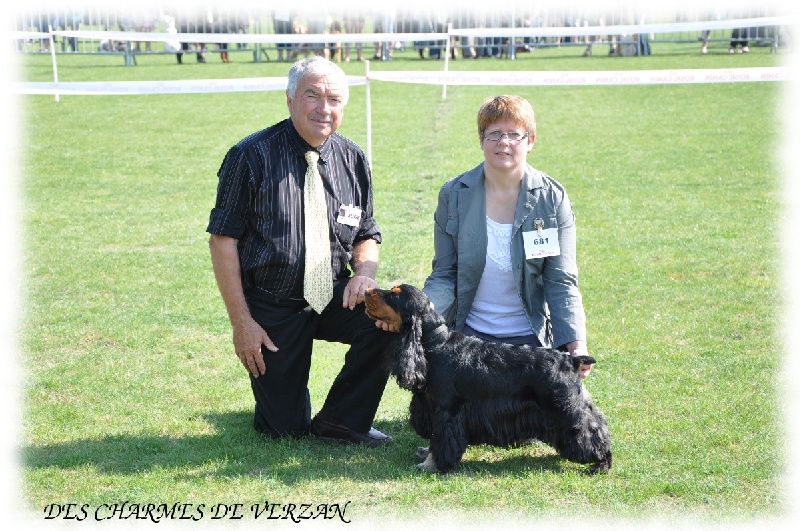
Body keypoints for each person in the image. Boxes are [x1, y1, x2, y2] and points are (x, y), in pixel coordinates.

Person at [207, 56, 394, 446]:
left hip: (334, 293)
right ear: (290, 99)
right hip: (273, 304)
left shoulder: (353, 158)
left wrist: (364, 275)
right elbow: (223, 240)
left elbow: (366, 231)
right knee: (284, 430)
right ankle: (283, 405)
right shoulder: (250, 156)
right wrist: (242, 323)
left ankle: (342, 421)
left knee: (390, 320)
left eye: (334, 99)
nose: (324, 108)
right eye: (313, 96)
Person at [421, 95, 593, 379]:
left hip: (531, 344)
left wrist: (577, 345)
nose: (504, 142)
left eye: (514, 134)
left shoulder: (552, 199)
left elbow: (560, 281)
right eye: (494, 133)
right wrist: (419, 317)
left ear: (530, 140)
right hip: (469, 341)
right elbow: (445, 274)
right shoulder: (453, 195)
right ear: (481, 139)